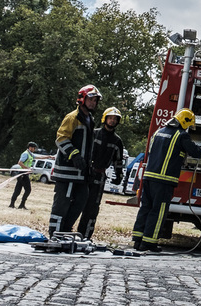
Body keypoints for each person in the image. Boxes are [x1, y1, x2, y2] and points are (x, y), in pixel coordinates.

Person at [131, 108, 201, 250]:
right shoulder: (181, 136)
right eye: (188, 125)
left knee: (145, 208)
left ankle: (138, 240)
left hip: (149, 178)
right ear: (184, 121)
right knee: (158, 211)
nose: (188, 129)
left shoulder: (158, 132)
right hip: (164, 181)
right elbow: (196, 152)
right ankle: (149, 243)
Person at [48, 84, 100, 236]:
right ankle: (55, 232)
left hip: (81, 173)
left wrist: (89, 167)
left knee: (80, 202)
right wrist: (74, 155)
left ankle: (65, 230)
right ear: (82, 99)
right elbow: (61, 138)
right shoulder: (72, 117)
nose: (93, 103)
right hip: (67, 171)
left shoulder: (90, 119)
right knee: (62, 204)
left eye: (96, 101)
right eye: (91, 99)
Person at [77, 106, 125, 240]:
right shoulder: (94, 133)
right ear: (105, 119)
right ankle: (66, 232)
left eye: (115, 119)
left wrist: (119, 176)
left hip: (99, 177)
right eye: (110, 118)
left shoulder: (117, 141)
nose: (112, 121)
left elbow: (118, 161)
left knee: (92, 209)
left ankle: (85, 236)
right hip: (85, 174)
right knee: (77, 203)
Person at [10, 141, 38, 210]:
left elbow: (38, 157)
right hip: (23, 174)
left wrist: (49, 157)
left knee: (18, 189)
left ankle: (12, 204)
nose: (34, 149)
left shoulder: (30, 154)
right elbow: (20, 162)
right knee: (28, 190)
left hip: (24, 174)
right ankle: (21, 204)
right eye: (34, 148)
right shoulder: (25, 154)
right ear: (30, 148)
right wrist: (27, 168)